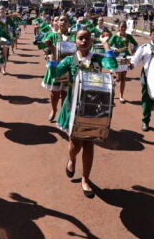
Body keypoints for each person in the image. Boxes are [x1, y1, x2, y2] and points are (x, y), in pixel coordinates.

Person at [45, 28, 117, 198]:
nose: (84, 41)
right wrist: (54, 52)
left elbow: (113, 66)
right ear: (75, 41)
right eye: (80, 38)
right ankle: (72, 159)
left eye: (87, 38)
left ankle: (85, 179)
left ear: (92, 41)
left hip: (93, 109)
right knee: (75, 146)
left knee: (89, 144)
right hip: (73, 109)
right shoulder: (70, 60)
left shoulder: (98, 59)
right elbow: (54, 74)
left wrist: (106, 45)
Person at [38, 15, 75, 121]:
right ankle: (54, 110)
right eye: (61, 20)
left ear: (69, 24)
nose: (63, 22)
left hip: (68, 68)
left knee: (65, 93)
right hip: (55, 67)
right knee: (54, 93)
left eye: (65, 20)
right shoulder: (51, 35)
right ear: (57, 23)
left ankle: (62, 113)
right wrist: (46, 46)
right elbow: (41, 46)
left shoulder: (73, 36)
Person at [108, 21, 138, 103]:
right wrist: (114, 49)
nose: (123, 28)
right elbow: (109, 45)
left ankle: (121, 96)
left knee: (123, 78)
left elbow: (136, 44)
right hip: (117, 58)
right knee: (118, 78)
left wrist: (133, 50)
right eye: (122, 26)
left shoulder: (128, 36)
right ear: (118, 27)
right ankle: (111, 85)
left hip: (126, 58)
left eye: (124, 26)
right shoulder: (115, 36)